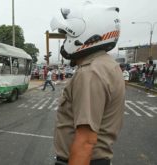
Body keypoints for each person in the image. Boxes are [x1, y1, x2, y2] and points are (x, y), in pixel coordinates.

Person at [51, 2, 125, 165]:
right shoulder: (106, 65)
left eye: (68, 36)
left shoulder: (91, 72)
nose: (66, 41)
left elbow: (85, 141)